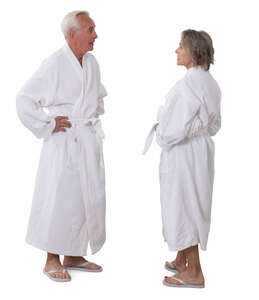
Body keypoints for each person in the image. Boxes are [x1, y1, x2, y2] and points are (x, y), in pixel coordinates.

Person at [16, 10, 107, 282]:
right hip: (63, 142)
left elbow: (97, 97)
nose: (96, 35)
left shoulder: (91, 63)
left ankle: (74, 254)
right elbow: (23, 98)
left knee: (83, 198)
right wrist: (47, 124)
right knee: (60, 198)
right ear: (73, 34)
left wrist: (89, 119)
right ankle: (51, 258)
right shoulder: (54, 63)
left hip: (86, 140)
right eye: (90, 30)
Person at [143, 29, 221, 288]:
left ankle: (194, 272)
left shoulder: (189, 82)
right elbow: (214, 125)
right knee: (194, 199)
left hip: (185, 153)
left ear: (193, 51)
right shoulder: (210, 82)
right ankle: (181, 259)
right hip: (200, 150)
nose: (176, 51)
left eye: (180, 47)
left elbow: (175, 129)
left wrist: (160, 131)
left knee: (184, 204)